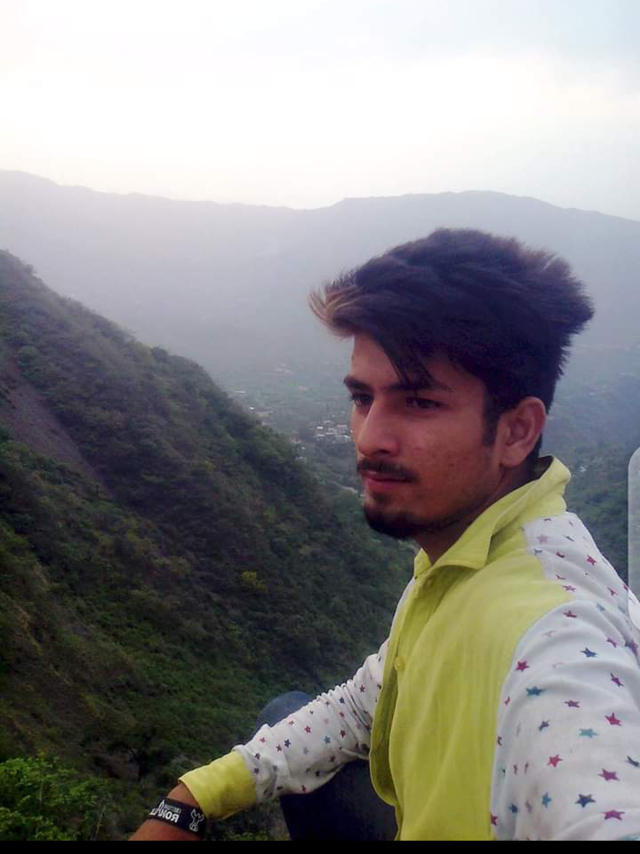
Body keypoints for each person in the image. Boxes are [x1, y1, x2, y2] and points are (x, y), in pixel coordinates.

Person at [131, 229, 640, 841]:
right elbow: (361, 706)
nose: (371, 437)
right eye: (361, 397)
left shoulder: (556, 641)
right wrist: (191, 800)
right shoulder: (462, 558)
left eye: (418, 402)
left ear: (516, 431)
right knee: (285, 711)